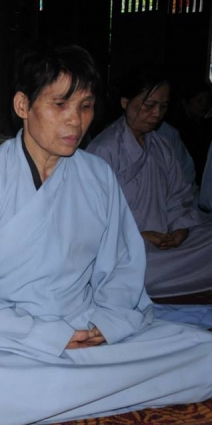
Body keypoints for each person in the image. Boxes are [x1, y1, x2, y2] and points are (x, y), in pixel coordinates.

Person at [0, 45, 212, 425]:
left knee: (203, 350)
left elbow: (122, 268)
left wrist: (107, 325)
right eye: (60, 105)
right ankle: (95, 386)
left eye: (85, 107)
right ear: (23, 105)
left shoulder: (98, 175)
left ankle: (66, 391)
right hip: (12, 340)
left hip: (87, 327)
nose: (75, 121)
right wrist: (48, 336)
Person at [87, 67, 212, 298]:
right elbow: (91, 219)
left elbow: (180, 196)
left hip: (167, 242)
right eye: (149, 105)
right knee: (118, 265)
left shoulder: (162, 146)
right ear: (125, 102)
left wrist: (181, 228)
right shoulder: (104, 149)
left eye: (163, 106)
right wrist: (140, 235)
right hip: (127, 246)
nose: (157, 114)